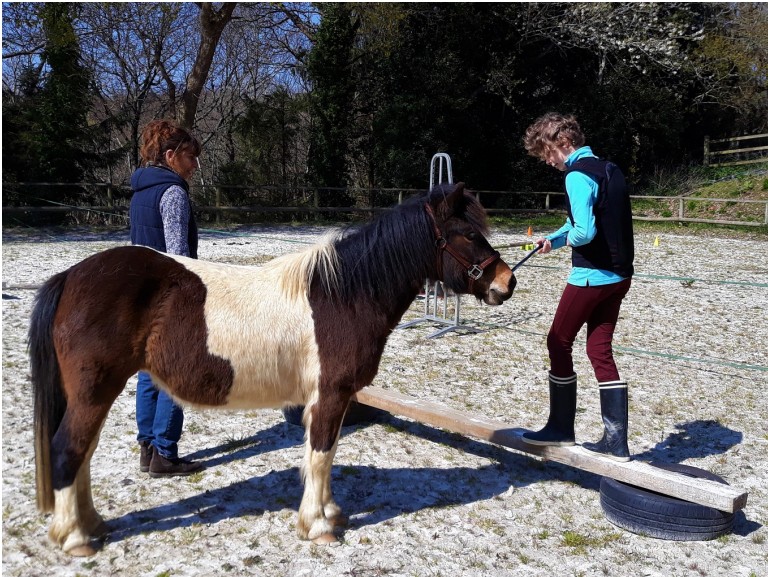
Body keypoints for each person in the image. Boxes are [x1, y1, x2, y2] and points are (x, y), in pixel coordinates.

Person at [520, 112, 635, 462]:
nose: (549, 162)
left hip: (591, 276)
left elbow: (584, 233)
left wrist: (567, 238)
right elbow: (580, 222)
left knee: (558, 341)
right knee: (599, 350)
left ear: (563, 144)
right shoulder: (607, 168)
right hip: (620, 276)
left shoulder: (576, 175)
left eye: (548, 154)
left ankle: (560, 428)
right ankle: (616, 443)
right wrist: (552, 240)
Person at [129, 119, 204, 477]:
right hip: (170, 297)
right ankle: (164, 453)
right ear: (171, 155)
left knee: (149, 370)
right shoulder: (172, 192)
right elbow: (178, 255)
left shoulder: (141, 190)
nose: (194, 165)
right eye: (190, 157)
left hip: (143, 293)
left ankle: (147, 448)